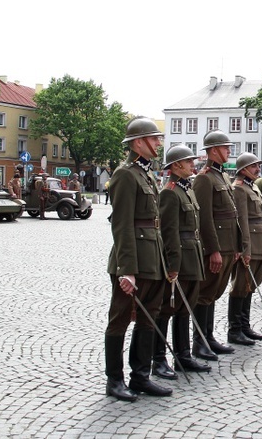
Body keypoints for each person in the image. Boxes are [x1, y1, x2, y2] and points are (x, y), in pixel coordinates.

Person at [104, 116, 170, 402]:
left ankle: (140, 376)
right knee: (120, 319)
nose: (158, 143)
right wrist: (126, 270)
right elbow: (122, 225)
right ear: (138, 142)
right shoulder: (125, 174)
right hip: (131, 262)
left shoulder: (147, 174)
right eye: (154, 138)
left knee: (148, 317)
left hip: (152, 258)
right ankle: (114, 380)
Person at [152, 144, 210, 380]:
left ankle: (183, 354)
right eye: (188, 162)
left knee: (186, 307)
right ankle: (159, 359)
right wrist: (172, 266)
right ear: (176, 165)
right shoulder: (170, 192)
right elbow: (169, 232)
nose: (192, 165)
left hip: (193, 255)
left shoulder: (188, 189)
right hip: (181, 258)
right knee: (167, 308)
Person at [192, 130, 241, 361]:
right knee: (204, 294)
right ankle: (199, 341)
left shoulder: (222, 176)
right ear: (213, 151)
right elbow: (205, 218)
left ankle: (209, 337)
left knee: (213, 293)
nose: (229, 151)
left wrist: (237, 245)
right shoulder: (204, 178)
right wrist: (213, 249)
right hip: (217, 247)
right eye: (225, 147)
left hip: (228, 246)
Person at [229, 152, 262, 344]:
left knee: (250, 286)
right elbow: (242, 221)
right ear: (243, 168)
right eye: (254, 166)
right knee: (240, 286)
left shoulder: (252, 187)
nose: (257, 169)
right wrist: (245, 249)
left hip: (260, 242)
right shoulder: (239, 189)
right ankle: (235, 329)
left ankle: (245, 326)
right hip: (250, 243)